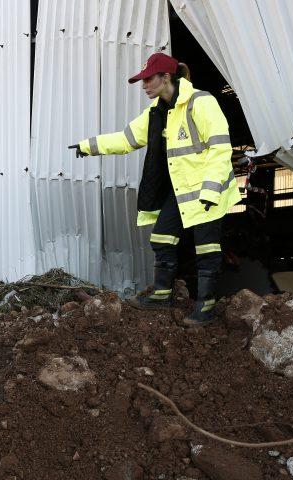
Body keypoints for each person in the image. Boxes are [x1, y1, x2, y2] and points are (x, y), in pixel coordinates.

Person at [70, 52, 240, 324]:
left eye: (149, 79)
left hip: (211, 188)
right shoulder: (155, 112)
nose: (144, 85)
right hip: (183, 190)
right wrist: (88, 146)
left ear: (166, 77)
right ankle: (162, 294)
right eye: (143, 80)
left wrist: (210, 190)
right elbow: (127, 139)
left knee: (207, 248)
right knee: (161, 237)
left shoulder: (201, 102)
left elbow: (220, 149)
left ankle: (206, 307)